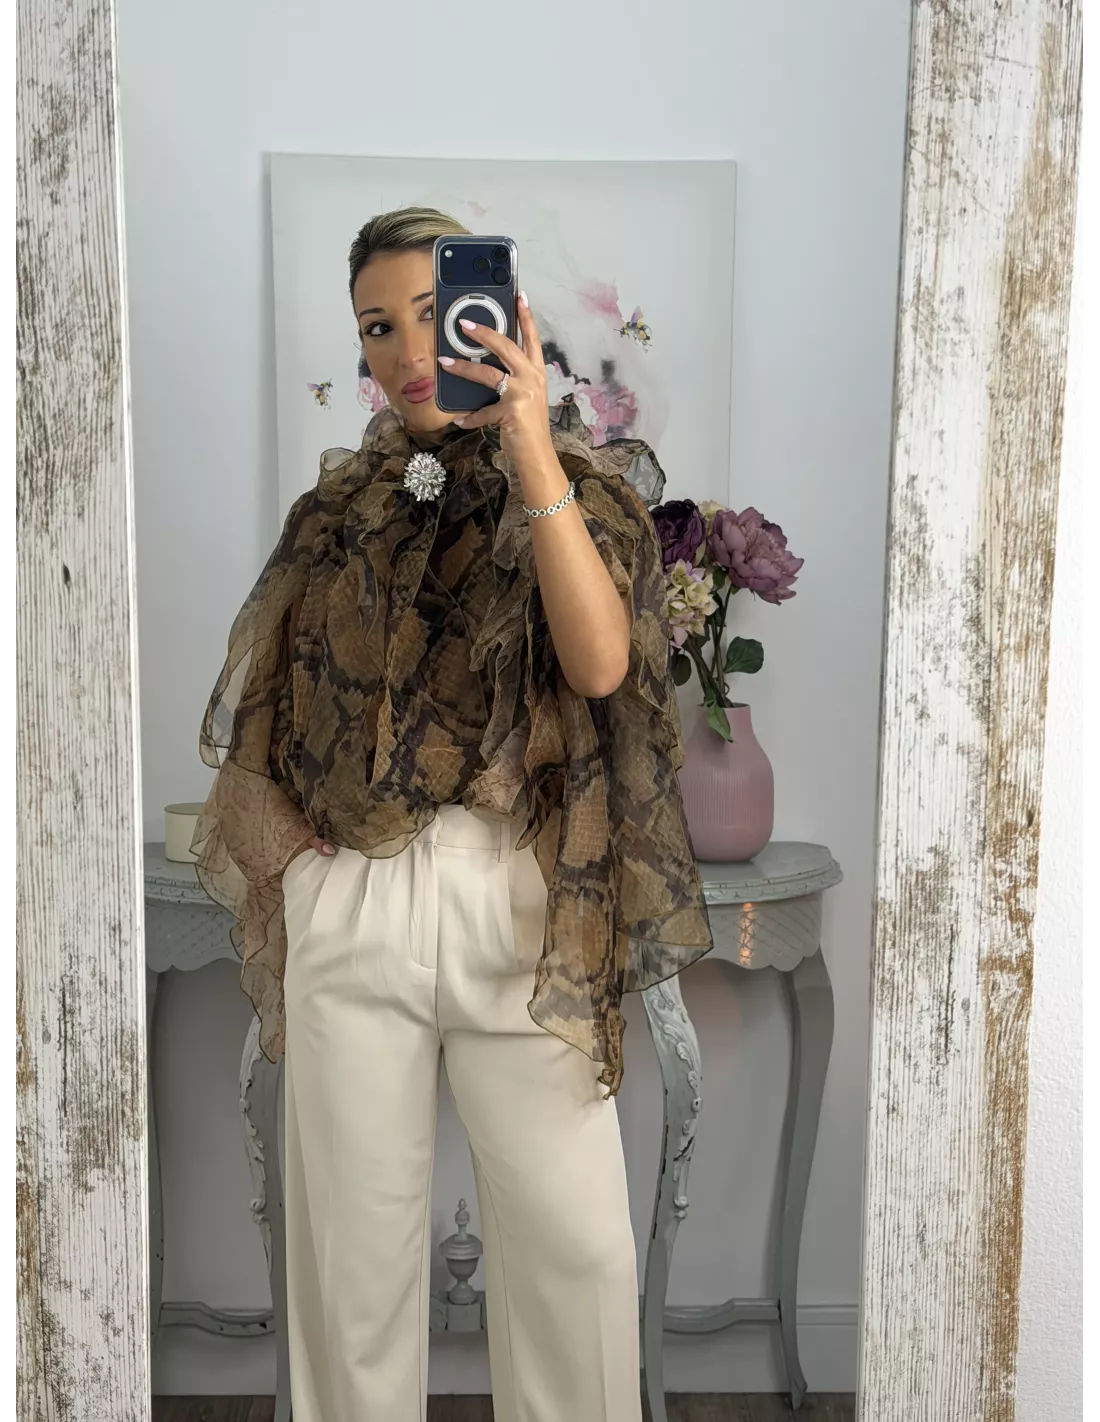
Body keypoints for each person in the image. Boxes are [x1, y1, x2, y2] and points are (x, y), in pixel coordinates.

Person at [193, 206, 713, 1422]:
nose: (405, 349)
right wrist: (310, 867)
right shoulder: (341, 511)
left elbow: (597, 665)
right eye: (377, 327)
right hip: (357, 904)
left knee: (577, 1260)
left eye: (434, 313)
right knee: (350, 1281)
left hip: (518, 904)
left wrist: (527, 446)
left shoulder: (583, 488)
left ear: (499, 317)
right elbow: (277, 707)